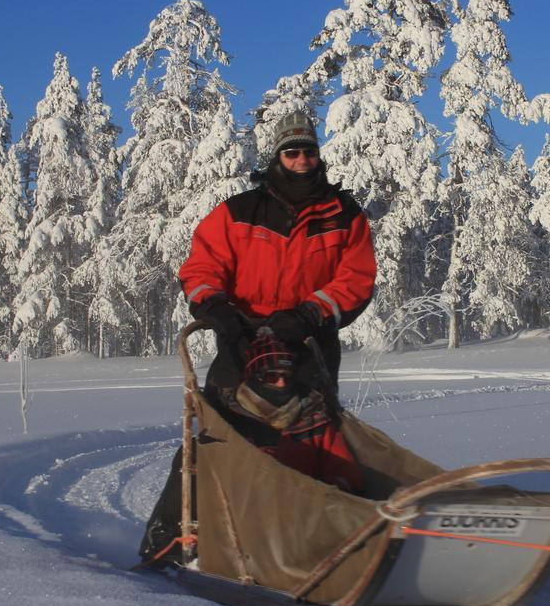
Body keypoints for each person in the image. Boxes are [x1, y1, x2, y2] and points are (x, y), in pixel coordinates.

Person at [137, 111, 376, 565]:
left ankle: (310, 550)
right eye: (291, 151)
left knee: (314, 444)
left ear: (318, 154)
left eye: (308, 150)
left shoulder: (344, 215)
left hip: (308, 343)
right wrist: (216, 308)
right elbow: (202, 266)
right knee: (216, 440)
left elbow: (357, 280)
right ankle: (165, 547)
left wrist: (310, 312)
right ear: (277, 156)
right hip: (242, 342)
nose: (301, 159)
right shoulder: (239, 211)